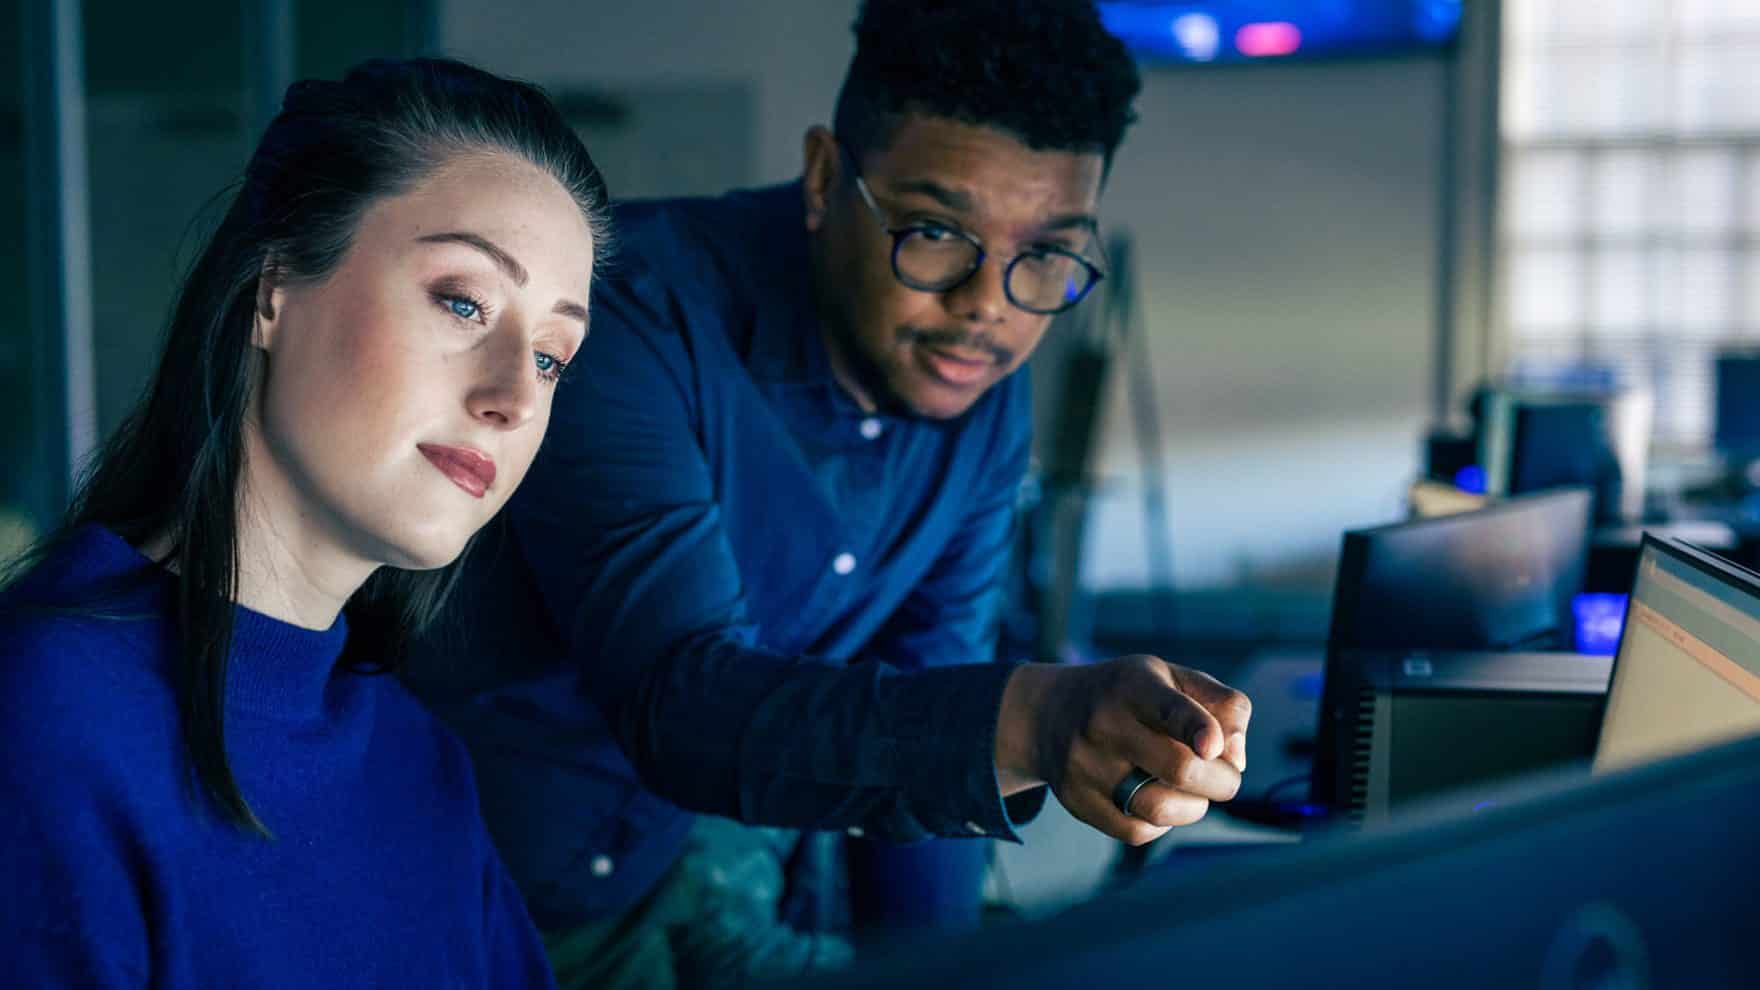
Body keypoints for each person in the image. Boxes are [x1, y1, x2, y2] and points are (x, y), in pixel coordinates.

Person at [406, 1, 1252, 986]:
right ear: (822, 180)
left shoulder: (976, 383)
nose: (986, 304)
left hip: (715, 859)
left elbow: (936, 672)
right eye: (936, 232)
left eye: (1046, 253)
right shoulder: (626, 317)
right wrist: (1032, 722)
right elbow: (680, 701)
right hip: (492, 892)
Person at [0, 57, 610, 987]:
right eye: (462, 302)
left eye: (553, 356)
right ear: (273, 289)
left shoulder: (420, 760)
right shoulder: (47, 716)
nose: (515, 396)